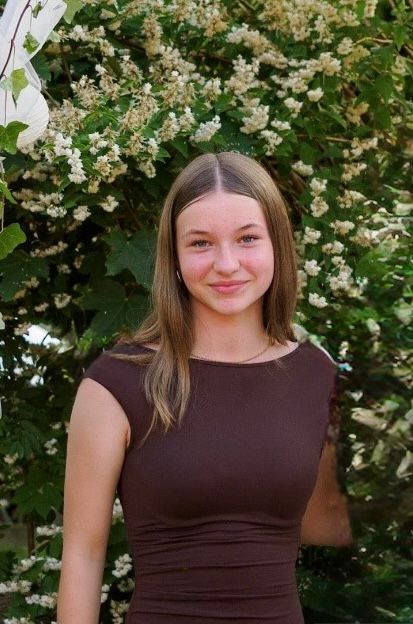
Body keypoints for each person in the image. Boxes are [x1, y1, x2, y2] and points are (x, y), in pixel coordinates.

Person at [57, 152, 353, 623]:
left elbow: (330, 525)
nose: (226, 264)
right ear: (173, 257)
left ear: (277, 246)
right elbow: (83, 556)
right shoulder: (116, 383)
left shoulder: (318, 376)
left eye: (248, 238)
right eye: (200, 243)